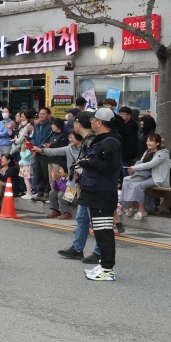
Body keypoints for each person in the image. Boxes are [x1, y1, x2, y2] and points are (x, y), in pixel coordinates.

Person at [76, 108, 122, 281]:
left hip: (103, 191)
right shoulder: (103, 140)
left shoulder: (110, 142)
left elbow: (111, 166)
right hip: (98, 190)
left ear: (100, 122)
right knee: (100, 230)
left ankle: (107, 269)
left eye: (94, 119)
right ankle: (104, 264)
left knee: (103, 231)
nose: (92, 122)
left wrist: (88, 163)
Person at [57, 111, 100, 263]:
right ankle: (77, 248)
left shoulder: (93, 140)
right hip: (83, 181)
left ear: (78, 124)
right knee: (82, 217)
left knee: (97, 219)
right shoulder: (88, 139)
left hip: (92, 183)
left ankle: (99, 252)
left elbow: (90, 163)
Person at [121, 133, 169, 221]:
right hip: (147, 176)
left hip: (158, 179)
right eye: (147, 141)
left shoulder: (163, 153)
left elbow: (151, 164)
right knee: (127, 181)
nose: (148, 143)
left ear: (157, 143)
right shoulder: (147, 151)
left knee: (139, 185)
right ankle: (132, 206)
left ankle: (142, 210)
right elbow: (141, 162)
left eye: (151, 141)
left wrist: (135, 167)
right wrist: (132, 170)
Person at [30, 107, 53, 201]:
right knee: (38, 172)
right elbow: (33, 137)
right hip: (37, 152)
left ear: (48, 115)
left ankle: (46, 192)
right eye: (40, 113)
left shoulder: (50, 126)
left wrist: (37, 148)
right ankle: (40, 192)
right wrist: (34, 147)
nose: (41, 115)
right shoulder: (37, 126)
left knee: (45, 173)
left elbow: (47, 139)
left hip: (45, 152)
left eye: (43, 114)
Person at [117, 106, 141, 176]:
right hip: (123, 153)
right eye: (120, 113)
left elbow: (126, 139)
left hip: (128, 153)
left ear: (129, 115)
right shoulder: (122, 124)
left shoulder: (131, 126)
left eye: (123, 113)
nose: (121, 115)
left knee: (127, 172)